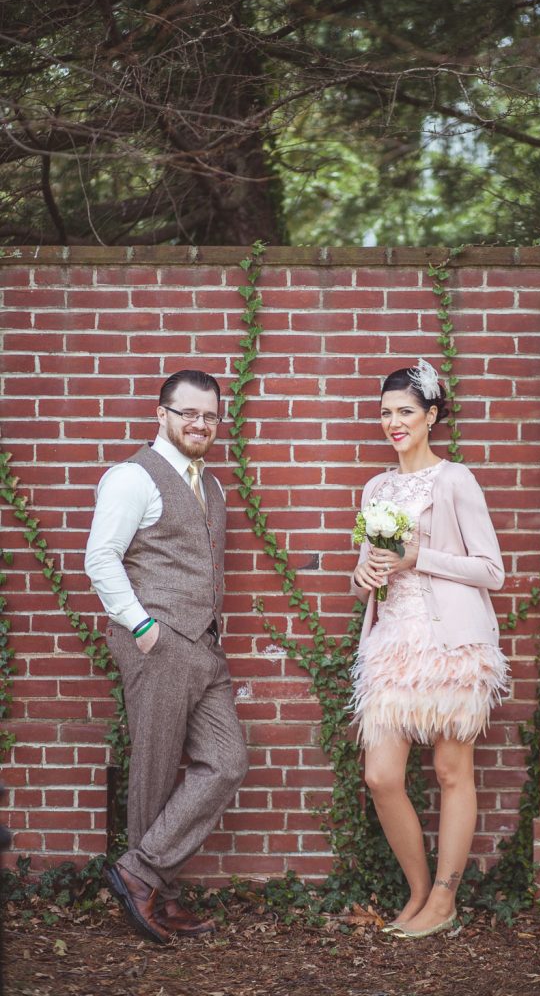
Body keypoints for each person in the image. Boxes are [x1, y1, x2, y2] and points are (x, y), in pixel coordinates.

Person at [85, 369, 248, 945]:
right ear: (163, 414)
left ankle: (143, 874)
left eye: (210, 415)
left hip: (202, 646)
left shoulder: (214, 486)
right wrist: (144, 627)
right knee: (154, 771)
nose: (200, 424)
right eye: (188, 413)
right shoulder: (133, 477)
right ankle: (155, 891)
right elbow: (100, 558)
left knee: (226, 762)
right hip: (157, 641)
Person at [350, 359, 508, 939]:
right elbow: (368, 567)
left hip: (453, 644)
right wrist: (363, 574)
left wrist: (421, 557)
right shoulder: (376, 487)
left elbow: (492, 571)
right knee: (382, 775)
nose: (394, 423)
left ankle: (444, 900)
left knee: (449, 770)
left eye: (406, 412)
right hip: (392, 643)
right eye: (386, 413)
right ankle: (418, 892)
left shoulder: (455, 480)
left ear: (431, 416)